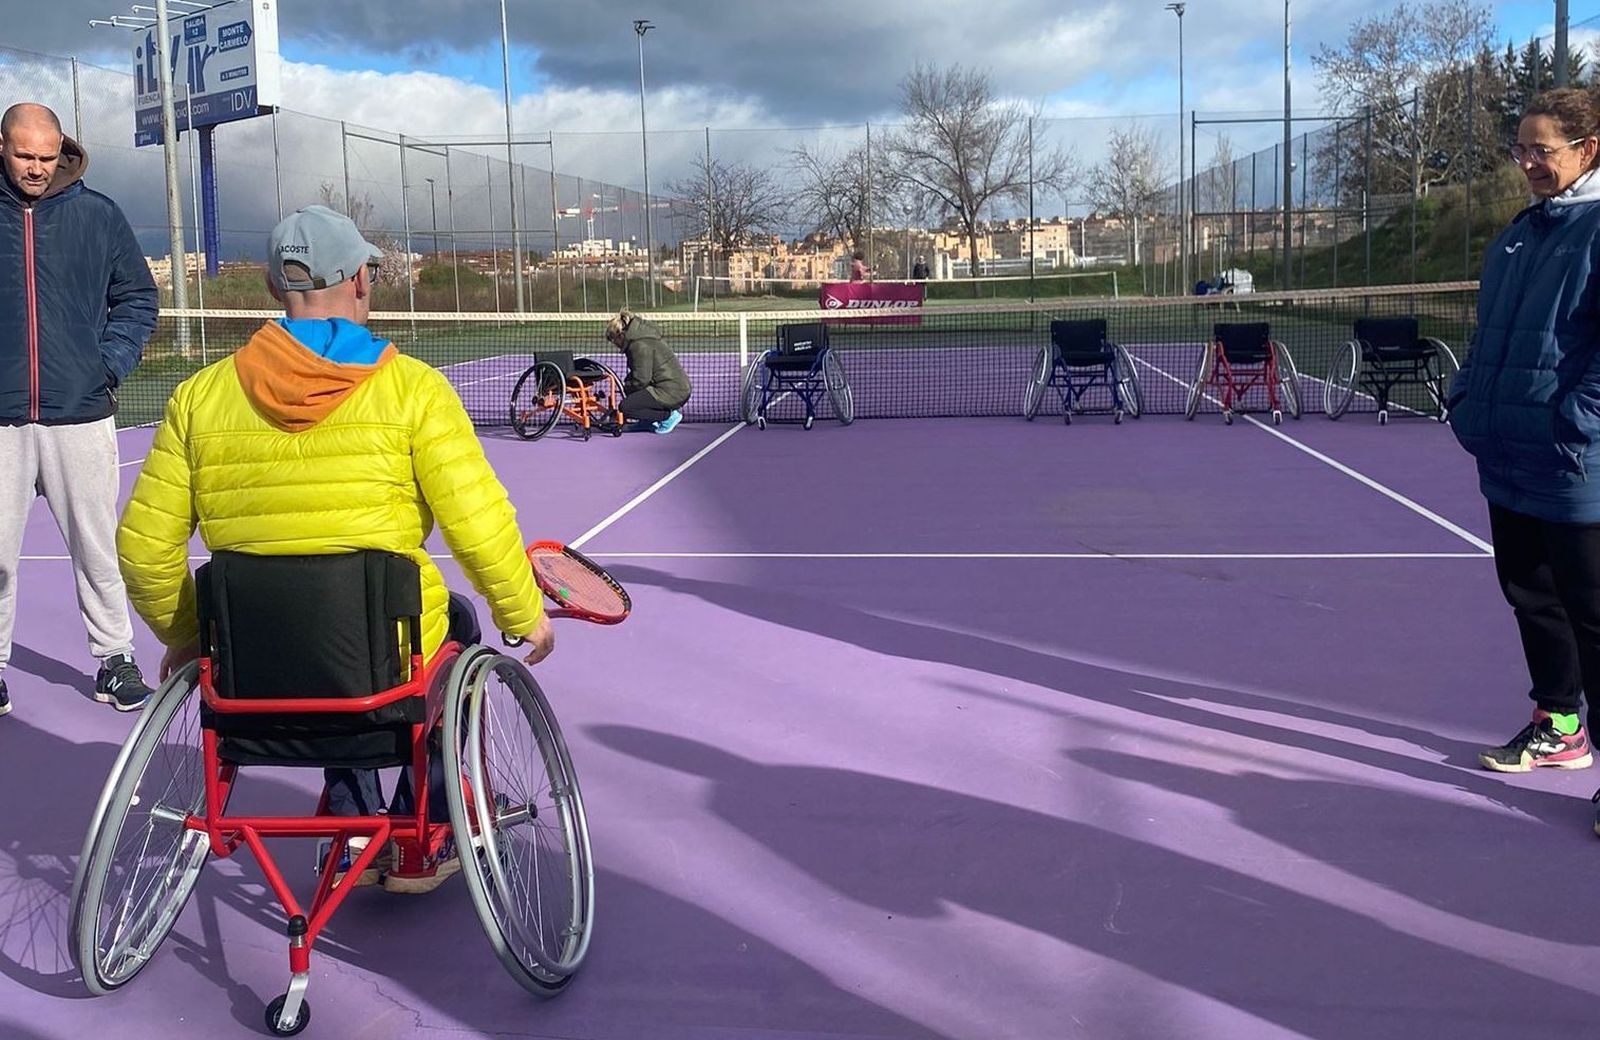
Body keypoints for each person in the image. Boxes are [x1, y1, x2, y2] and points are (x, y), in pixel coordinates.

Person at [117, 204, 554, 891]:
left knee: (317, 625)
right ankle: (427, 822)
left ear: (272, 287)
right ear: (360, 280)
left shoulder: (199, 398)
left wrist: (187, 634)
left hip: (253, 664)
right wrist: (524, 613)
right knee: (450, 625)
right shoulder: (413, 390)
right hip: (380, 664)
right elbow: (479, 521)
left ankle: (354, 824)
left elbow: (144, 550)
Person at [1448, 87, 1600, 801]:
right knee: (1532, 597)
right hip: (1509, 456)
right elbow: (1489, 334)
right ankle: (1560, 726)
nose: (1530, 163)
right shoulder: (1519, 233)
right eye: (1521, 150)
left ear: (1588, 149)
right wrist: (1468, 402)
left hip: (1574, 463)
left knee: (1593, 617)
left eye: (1543, 150)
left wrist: (1576, 421)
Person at [0, 102, 158, 718]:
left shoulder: (98, 214)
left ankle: (115, 660)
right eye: (24, 156)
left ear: (61, 149)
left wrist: (106, 365)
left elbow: (137, 298)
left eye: (46, 156)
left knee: (97, 549)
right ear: (3, 147)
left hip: (82, 414)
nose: (37, 168)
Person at [605, 309, 691, 434]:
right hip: (669, 387)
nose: (615, 344)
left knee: (626, 408)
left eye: (614, 340)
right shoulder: (639, 339)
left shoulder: (639, 346)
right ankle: (647, 421)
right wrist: (628, 385)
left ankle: (668, 416)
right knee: (631, 388)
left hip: (673, 391)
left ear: (621, 335)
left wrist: (627, 386)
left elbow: (641, 380)